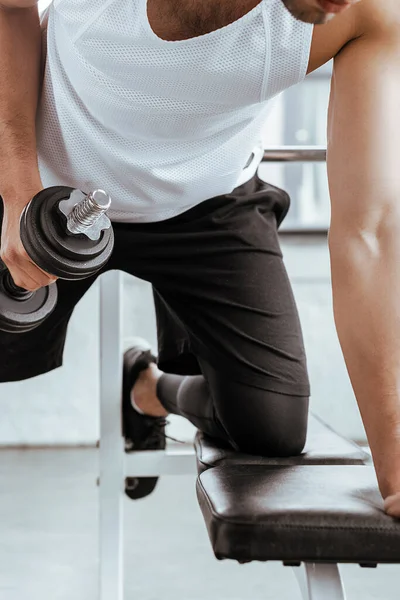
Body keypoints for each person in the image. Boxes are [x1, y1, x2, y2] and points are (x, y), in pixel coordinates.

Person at [0, 0, 400, 515]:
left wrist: (395, 473)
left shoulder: (371, 9)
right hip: (46, 177)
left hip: (207, 200)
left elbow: (371, 233)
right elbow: (11, 10)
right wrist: (16, 194)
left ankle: (145, 388)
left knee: (269, 428)